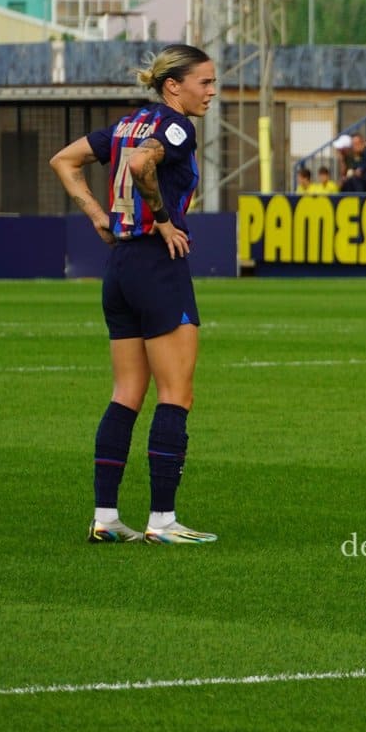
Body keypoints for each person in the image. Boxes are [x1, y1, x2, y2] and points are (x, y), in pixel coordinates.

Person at [49, 44, 220, 545]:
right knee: (176, 394)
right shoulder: (175, 126)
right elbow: (146, 164)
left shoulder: (126, 124)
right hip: (157, 264)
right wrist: (163, 220)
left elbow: (64, 160)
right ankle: (163, 521)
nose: (211, 91)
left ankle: (105, 518)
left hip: (120, 266)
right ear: (174, 86)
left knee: (126, 393)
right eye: (205, 82)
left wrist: (97, 216)